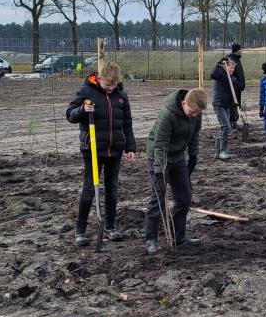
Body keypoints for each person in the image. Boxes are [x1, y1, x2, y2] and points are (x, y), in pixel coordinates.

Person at [65, 61, 136, 246]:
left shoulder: (121, 95)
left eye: (113, 85)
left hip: (115, 149)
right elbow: (70, 114)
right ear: (99, 78)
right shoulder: (86, 92)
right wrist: (82, 110)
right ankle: (80, 231)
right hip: (93, 149)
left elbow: (127, 123)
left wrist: (130, 147)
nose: (110, 88)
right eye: (107, 85)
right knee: (90, 188)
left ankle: (111, 227)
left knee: (112, 189)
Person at [145, 88, 206, 254]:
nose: (194, 115)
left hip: (178, 156)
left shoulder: (196, 114)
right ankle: (151, 239)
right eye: (192, 112)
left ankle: (179, 235)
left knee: (185, 197)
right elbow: (160, 144)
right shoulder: (168, 114)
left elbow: (194, 136)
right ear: (184, 103)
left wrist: (193, 156)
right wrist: (159, 169)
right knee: (158, 196)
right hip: (158, 155)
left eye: (197, 113)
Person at [209, 56, 237, 159]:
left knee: (224, 127)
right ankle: (223, 151)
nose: (232, 70)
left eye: (234, 68)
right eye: (231, 67)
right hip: (219, 104)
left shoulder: (230, 78)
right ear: (225, 67)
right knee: (226, 127)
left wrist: (234, 104)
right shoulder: (220, 74)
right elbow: (213, 74)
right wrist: (219, 64)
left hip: (227, 104)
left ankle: (218, 152)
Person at [226, 42, 246, 130]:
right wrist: (236, 82)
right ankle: (231, 123)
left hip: (238, 87)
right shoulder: (230, 59)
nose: (242, 50)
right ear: (237, 50)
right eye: (240, 49)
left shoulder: (237, 59)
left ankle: (234, 122)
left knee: (237, 104)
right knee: (232, 104)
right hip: (233, 87)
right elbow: (229, 74)